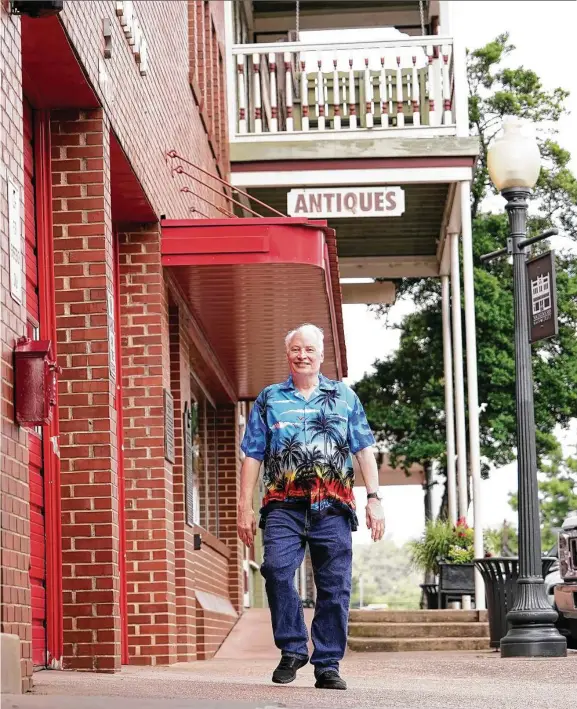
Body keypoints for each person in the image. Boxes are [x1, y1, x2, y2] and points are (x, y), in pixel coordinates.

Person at [237, 323, 385, 691]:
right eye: (296, 349)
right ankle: (292, 648)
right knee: (275, 570)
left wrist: (375, 499)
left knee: (335, 587)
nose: (303, 355)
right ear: (288, 354)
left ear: (321, 356)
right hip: (283, 505)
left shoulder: (344, 398)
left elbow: (364, 449)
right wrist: (244, 505)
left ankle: (328, 664)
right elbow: (252, 455)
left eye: (310, 350)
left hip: (333, 506)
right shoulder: (269, 398)